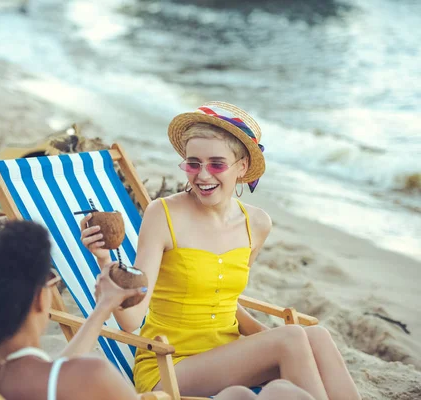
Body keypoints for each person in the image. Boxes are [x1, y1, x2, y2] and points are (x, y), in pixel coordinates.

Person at [80, 102, 360, 400]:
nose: (203, 175)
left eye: (216, 164)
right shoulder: (163, 214)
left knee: (315, 335)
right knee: (292, 337)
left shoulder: (257, 224)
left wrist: (269, 337)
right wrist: (105, 260)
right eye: (193, 163)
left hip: (228, 355)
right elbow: (132, 319)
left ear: (241, 168)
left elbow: (227, 301)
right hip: (171, 365)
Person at [0, 220, 313, 399]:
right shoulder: (88, 377)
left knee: (240, 397)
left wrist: (103, 309)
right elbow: (65, 372)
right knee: (280, 394)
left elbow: (53, 370)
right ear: (39, 301)